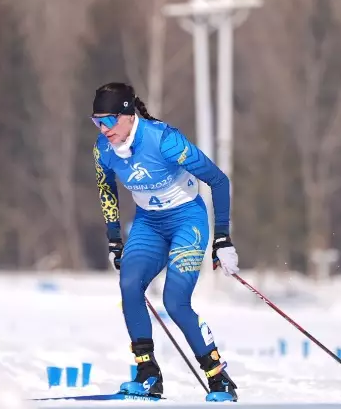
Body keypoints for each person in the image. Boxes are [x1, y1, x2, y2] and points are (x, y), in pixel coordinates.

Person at [91, 82, 240, 402]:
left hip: (187, 220)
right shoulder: (103, 150)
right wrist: (115, 240)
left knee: (175, 302)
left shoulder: (165, 140)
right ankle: (148, 374)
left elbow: (218, 180)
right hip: (149, 224)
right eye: (96, 122)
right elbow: (107, 192)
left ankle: (218, 378)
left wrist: (223, 239)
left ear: (128, 115)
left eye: (108, 121)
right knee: (129, 285)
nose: (103, 130)